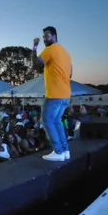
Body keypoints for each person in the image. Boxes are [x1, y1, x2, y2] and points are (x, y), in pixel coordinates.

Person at [31, 26, 72, 162]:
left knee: (47, 121)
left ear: (54, 36)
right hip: (66, 94)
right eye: (43, 37)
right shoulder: (66, 53)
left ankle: (58, 151)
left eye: (46, 36)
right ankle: (65, 150)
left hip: (54, 94)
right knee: (56, 121)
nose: (44, 39)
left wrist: (35, 47)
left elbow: (36, 65)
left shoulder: (50, 49)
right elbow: (70, 73)